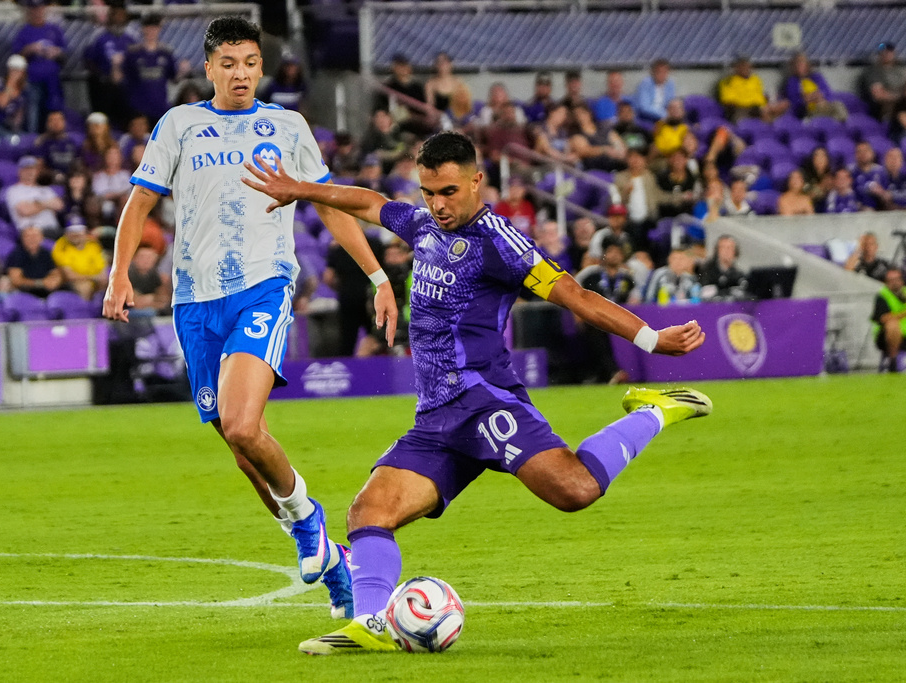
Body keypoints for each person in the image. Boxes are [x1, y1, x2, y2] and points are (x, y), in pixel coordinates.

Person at [242, 129, 709, 655]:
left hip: (485, 401)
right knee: (369, 512)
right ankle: (371, 625)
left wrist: (650, 337)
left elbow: (573, 294)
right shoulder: (421, 224)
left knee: (575, 491)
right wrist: (303, 189)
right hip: (437, 417)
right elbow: (370, 202)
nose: (438, 204)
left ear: (476, 181)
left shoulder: (501, 244)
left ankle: (653, 411)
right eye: (429, 192)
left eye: (449, 192)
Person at [102, 16, 399, 621]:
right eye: (228, 64)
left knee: (242, 426)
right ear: (209, 67)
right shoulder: (180, 125)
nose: (240, 74)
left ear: (261, 67)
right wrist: (119, 272)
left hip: (263, 287)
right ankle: (331, 562)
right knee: (243, 450)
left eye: (250, 63)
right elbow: (140, 202)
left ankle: (308, 520)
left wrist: (377, 276)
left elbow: (331, 204)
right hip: (194, 300)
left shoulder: (286, 127)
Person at [576, 236, 638, 383]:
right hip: (595, 318)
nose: (614, 255)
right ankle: (613, 372)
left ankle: (617, 373)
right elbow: (574, 293)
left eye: (618, 252)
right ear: (604, 254)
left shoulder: (627, 278)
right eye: (611, 252)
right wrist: (577, 316)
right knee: (596, 330)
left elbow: (635, 300)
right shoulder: (590, 274)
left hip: (620, 320)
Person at [123, 14, 189, 125]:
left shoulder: (165, 53)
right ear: (143, 29)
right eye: (149, 28)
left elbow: (173, 78)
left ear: (159, 29)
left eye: (154, 28)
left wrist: (182, 72)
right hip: (138, 107)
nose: (151, 31)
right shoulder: (133, 54)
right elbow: (125, 78)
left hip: (160, 106)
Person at [12, 0, 66, 126]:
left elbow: (64, 57)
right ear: (29, 11)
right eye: (33, 9)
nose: (37, 12)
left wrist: (57, 52)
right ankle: (33, 142)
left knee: (54, 112)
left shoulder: (54, 30)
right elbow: (16, 60)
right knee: (33, 115)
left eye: (39, 8)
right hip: (32, 80)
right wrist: (28, 49)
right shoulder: (24, 32)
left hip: (52, 80)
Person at [83, 0, 135, 130]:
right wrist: (104, 76)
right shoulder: (99, 36)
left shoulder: (131, 38)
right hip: (104, 85)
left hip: (125, 85)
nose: (118, 18)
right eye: (115, 14)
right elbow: (88, 61)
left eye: (121, 14)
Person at [5, 155, 64, 237]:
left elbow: (59, 205)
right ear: (20, 171)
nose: (30, 172)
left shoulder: (45, 189)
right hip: (32, 233)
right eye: (26, 169)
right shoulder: (13, 191)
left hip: (54, 229)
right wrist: (48, 205)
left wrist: (36, 204)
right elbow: (25, 211)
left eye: (32, 169)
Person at [52, 218, 107, 300]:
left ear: (85, 232)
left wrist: (100, 278)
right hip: (72, 282)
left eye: (78, 231)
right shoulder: (61, 246)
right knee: (85, 287)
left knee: (109, 283)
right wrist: (92, 277)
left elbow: (102, 269)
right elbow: (69, 275)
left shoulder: (93, 245)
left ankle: (102, 310)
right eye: (72, 231)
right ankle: (85, 311)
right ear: (66, 233)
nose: (75, 235)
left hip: (93, 279)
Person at [782, 52, 847, 121]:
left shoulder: (817, 77)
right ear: (793, 66)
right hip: (808, 110)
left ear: (807, 64)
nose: (800, 65)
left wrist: (812, 97)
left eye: (802, 62)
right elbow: (794, 101)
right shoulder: (792, 81)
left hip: (824, 106)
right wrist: (809, 99)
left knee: (838, 106)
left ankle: (838, 126)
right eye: (797, 63)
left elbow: (828, 94)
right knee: (830, 113)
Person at [718, 57, 786, 122]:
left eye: (748, 67)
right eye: (743, 67)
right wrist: (752, 105)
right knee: (764, 112)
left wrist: (767, 100)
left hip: (758, 107)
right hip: (741, 109)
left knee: (783, 105)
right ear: (737, 68)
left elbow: (760, 97)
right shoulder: (728, 81)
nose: (747, 69)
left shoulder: (755, 79)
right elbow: (728, 101)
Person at [0, 54, 32, 136]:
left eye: (19, 71)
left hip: (6, 124)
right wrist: (10, 83)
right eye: (13, 70)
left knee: (24, 139)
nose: (16, 73)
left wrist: (15, 128)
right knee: (9, 138)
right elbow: (2, 104)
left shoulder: (24, 88)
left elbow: (19, 113)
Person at [6, 224, 63, 297]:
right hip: (25, 290)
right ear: (22, 238)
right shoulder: (16, 254)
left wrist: (54, 281)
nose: (32, 239)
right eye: (28, 236)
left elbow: (55, 273)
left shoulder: (46, 253)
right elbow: (16, 280)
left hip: (45, 289)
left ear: (41, 238)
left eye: (35, 236)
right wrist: (40, 283)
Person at [860, 41, 906, 122]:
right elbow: (878, 95)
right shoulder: (874, 71)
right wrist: (900, 96)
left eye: (889, 52)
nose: (887, 54)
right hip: (886, 108)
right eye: (884, 52)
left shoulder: (897, 70)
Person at [871, 267, 906, 372]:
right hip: (887, 336)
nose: (894, 283)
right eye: (891, 280)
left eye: (897, 279)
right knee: (892, 325)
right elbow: (883, 318)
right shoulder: (883, 296)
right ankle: (893, 361)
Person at [34, 110, 81, 180]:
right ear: (47, 124)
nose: (56, 123)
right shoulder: (42, 143)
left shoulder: (71, 142)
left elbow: (78, 163)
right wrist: (53, 174)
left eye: (59, 120)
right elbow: (39, 167)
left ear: (64, 122)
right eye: (52, 120)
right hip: (50, 181)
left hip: (71, 180)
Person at [698, 234, 746, 300]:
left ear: (735, 252)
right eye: (722, 247)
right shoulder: (705, 270)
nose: (726, 251)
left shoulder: (739, 275)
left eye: (729, 248)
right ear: (717, 251)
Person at [849, 141, 889, 209]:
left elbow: (888, 197)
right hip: (856, 213)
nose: (863, 154)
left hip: (879, 213)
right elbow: (846, 196)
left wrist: (882, 194)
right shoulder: (850, 172)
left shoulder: (881, 172)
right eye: (859, 151)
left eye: (866, 151)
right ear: (855, 155)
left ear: (872, 153)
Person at [634, 59, 676, 123]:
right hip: (647, 118)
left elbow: (671, 103)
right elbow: (644, 107)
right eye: (659, 72)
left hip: (666, 118)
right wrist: (664, 115)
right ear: (653, 72)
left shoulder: (670, 84)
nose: (662, 75)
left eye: (665, 72)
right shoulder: (645, 84)